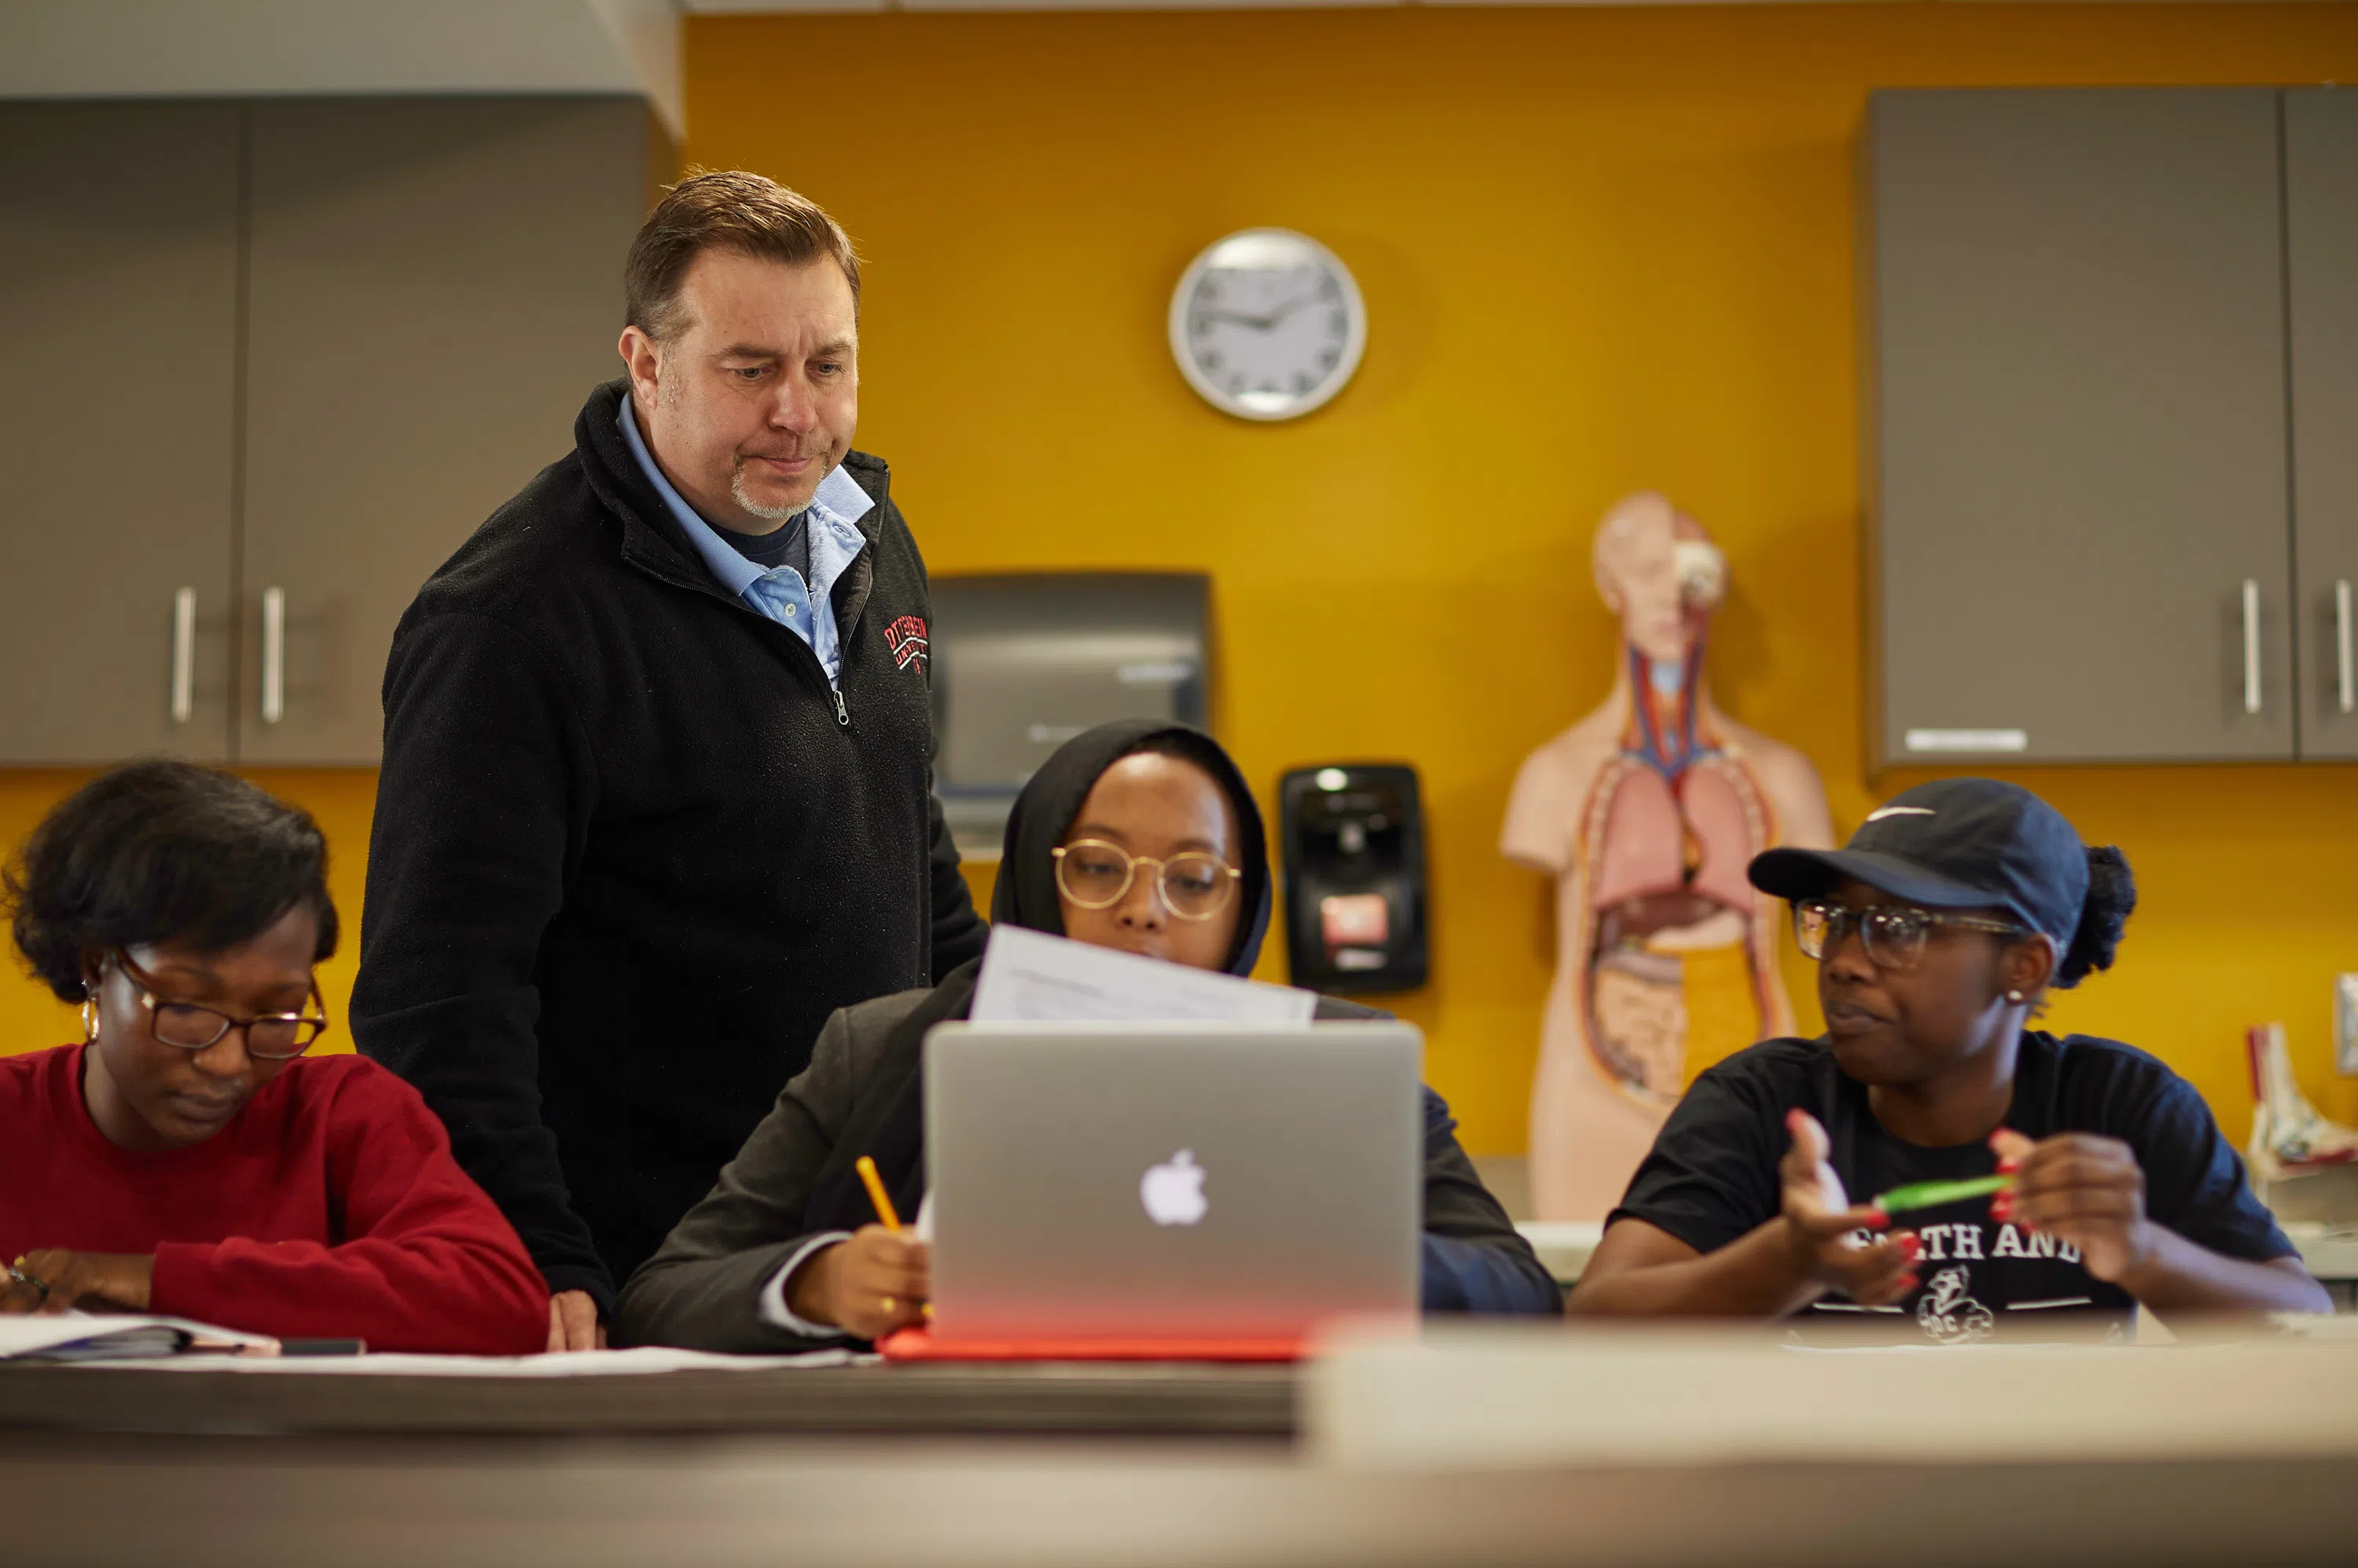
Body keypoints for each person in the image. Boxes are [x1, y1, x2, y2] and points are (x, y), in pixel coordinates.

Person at [351, 171, 986, 1350]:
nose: (799, 413)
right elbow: (438, 996)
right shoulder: (510, 624)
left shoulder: (867, 540)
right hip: (649, 1279)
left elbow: (912, 855)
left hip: (870, 1252)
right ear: (647, 365)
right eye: (751, 370)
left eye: (829, 365)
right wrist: (534, 1252)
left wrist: (1028, 1092)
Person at [614, 720, 1561, 1349]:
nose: (1144, 911)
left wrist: (1344, 1254)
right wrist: (818, 1282)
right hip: (938, 1478)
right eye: (1099, 866)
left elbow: (1524, 1291)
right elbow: (662, 1292)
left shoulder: (1344, 1058)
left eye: (1193, 878)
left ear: (1246, 905)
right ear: (1033, 869)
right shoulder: (879, 1050)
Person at [1566, 777, 2328, 1341]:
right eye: (1834, 920)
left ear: (2024, 965)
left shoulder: (2116, 1104)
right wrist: (1789, 1260)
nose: (1842, 960)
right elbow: (1595, 1322)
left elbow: (2301, 1325)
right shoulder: (1765, 1101)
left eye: (1896, 925)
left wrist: (2142, 1249)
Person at [0, 762, 548, 1353]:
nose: (230, 1063)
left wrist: (151, 1279)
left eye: (279, 1014)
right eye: (186, 1007)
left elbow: (499, 1302)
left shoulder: (344, 1115)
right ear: (94, 966)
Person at [1501, 491, 1835, 1223]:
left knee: (1755, 1289)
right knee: (1597, 1291)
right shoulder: (1555, 774)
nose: (1672, 597)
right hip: (1594, 1077)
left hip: (1747, 1065)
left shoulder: (1782, 778)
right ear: (1609, 585)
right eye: (1649, 571)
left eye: (1689, 573)